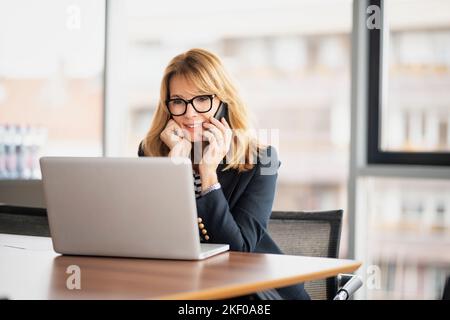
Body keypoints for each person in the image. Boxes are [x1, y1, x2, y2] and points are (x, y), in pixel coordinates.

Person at [138, 48, 310, 300]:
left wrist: (208, 174)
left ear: (223, 101)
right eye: (178, 101)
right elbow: (151, 236)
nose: (189, 113)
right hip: (186, 285)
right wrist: (174, 173)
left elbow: (238, 252)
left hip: (253, 289)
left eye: (202, 99)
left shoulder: (263, 160)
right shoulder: (151, 151)